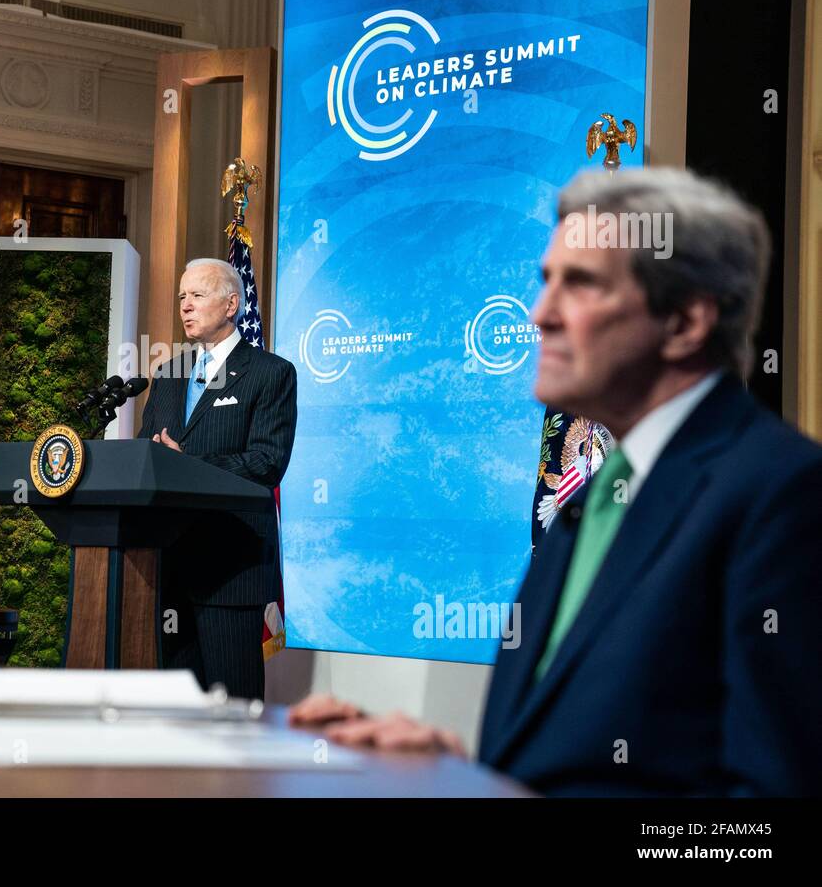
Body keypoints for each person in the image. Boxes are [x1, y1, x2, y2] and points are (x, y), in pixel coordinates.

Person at [290, 167, 822, 796]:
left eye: (582, 285)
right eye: (547, 282)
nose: (541, 315)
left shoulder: (783, 493)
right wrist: (456, 772)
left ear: (685, 323)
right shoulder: (593, 492)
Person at [137, 258, 297, 700]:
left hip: (231, 565)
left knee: (235, 711)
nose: (185, 307)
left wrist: (188, 462)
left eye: (197, 296)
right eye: (182, 297)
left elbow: (267, 463)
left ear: (231, 304)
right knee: (178, 712)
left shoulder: (270, 373)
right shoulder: (168, 374)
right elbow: (145, 454)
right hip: (168, 567)